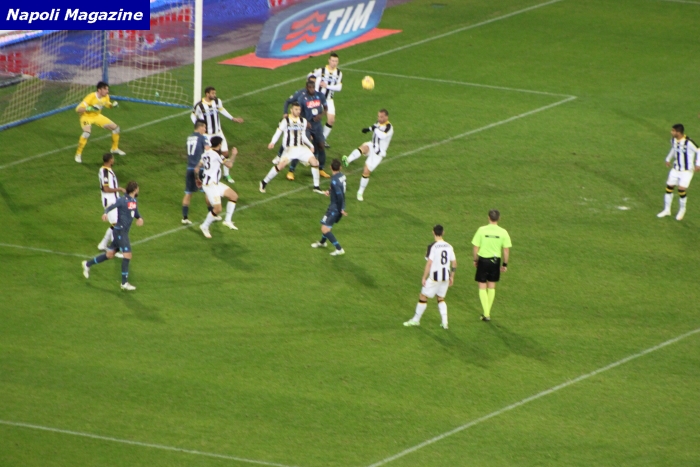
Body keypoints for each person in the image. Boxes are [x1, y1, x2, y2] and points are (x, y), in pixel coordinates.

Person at [82, 181, 143, 291]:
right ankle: (124, 283)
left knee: (109, 255)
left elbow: (135, 212)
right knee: (127, 255)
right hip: (120, 232)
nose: (138, 190)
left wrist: (139, 218)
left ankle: (87, 264)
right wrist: (105, 213)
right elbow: (111, 207)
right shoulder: (122, 200)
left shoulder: (133, 201)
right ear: (134, 190)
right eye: (138, 188)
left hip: (122, 232)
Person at [260, 102, 323, 195]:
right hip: (290, 149)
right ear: (291, 110)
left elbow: (303, 136)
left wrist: (311, 145)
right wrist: (272, 142)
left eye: (299, 109)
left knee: (315, 162)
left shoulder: (303, 121)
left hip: (301, 147)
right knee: (280, 166)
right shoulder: (285, 121)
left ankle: (316, 187)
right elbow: (278, 132)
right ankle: (264, 182)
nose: (298, 111)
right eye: (296, 109)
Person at [404, 225, 456, 329]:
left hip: (435, 278)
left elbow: (429, 263)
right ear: (443, 232)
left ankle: (416, 320)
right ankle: (445, 323)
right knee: (440, 298)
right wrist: (452, 277)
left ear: (433, 232)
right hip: (445, 277)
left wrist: (424, 277)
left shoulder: (433, 246)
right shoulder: (449, 246)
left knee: (423, 296)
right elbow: (454, 263)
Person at [191, 86, 244, 183]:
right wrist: (197, 126)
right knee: (208, 155)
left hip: (219, 132)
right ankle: (205, 175)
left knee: (225, 153)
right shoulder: (199, 105)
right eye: (212, 93)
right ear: (207, 94)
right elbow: (193, 115)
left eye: (215, 93)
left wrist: (232, 118)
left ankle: (226, 174)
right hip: (207, 135)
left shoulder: (217, 101)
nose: (214, 95)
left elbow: (222, 109)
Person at [341, 109, 394, 201]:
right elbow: (374, 126)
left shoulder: (389, 127)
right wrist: (368, 129)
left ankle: (360, 192)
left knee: (366, 171)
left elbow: (382, 136)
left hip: (378, 152)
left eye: (381, 117)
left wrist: (374, 129)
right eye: (378, 116)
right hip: (372, 145)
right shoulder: (378, 122)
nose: (379, 118)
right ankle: (348, 160)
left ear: (386, 117)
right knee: (363, 148)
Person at [284, 79, 330, 179]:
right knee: (301, 146)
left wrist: (321, 115)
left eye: (313, 87)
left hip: (317, 126)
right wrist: (305, 121)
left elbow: (326, 108)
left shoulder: (320, 96)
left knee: (321, 145)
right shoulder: (302, 98)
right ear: (306, 88)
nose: (312, 89)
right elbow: (298, 112)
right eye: (310, 88)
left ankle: (321, 169)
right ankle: (291, 171)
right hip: (306, 126)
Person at [194, 136, 239, 237]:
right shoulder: (218, 154)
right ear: (219, 144)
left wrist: (197, 178)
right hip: (211, 185)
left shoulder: (206, 153)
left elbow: (197, 167)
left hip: (214, 183)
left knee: (233, 196)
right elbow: (229, 165)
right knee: (218, 209)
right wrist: (234, 155)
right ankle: (204, 226)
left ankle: (227, 220)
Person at [472, 210, 512, 321]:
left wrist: (475, 260)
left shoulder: (481, 230)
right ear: (499, 218)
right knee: (491, 286)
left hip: (483, 260)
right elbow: (506, 250)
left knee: (482, 286)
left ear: (488, 217)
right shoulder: (503, 232)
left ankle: (486, 314)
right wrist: (504, 264)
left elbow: (475, 247)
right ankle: (487, 313)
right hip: (495, 261)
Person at [657, 123, 699, 221]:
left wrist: (698, 164)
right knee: (669, 187)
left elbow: (699, 150)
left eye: (673, 131)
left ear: (678, 132)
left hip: (687, 171)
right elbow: (674, 149)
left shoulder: (688, 142)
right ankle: (667, 210)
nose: (671, 132)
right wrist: (668, 159)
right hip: (676, 169)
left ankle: (682, 210)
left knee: (681, 189)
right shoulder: (673, 140)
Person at [74, 81, 124, 163]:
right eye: (105, 89)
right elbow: (78, 109)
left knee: (116, 128)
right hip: (86, 117)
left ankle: (114, 148)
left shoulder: (106, 96)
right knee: (86, 133)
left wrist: (112, 105)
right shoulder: (91, 97)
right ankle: (78, 154)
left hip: (97, 116)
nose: (107, 91)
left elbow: (107, 104)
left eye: (107, 89)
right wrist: (91, 108)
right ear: (99, 90)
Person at [311, 159, 347, 256]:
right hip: (333, 206)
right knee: (325, 223)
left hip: (336, 207)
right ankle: (323, 242)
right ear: (340, 168)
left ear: (330, 167)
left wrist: (341, 209)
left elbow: (340, 195)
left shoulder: (334, 180)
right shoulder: (342, 176)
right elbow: (336, 188)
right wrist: (329, 191)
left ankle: (339, 249)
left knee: (325, 229)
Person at [310, 52, 343, 148]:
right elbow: (310, 76)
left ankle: (322, 139)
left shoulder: (339, 73)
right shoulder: (321, 70)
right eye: (332, 61)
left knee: (331, 120)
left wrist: (327, 86)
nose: (334, 63)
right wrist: (316, 82)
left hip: (329, 99)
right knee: (314, 119)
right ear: (329, 60)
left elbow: (339, 87)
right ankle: (308, 139)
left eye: (336, 61)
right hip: (318, 98)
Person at [182, 121, 211, 225]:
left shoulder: (189, 138)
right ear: (200, 127)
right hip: (200, 168)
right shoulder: (202, 138)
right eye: (204, 127)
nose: (205, 130)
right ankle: (212, 214)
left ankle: (185, 218)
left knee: (188, 193)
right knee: (207, 191)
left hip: (189, 168)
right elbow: (208, 150)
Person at [97, 153, 125, 259]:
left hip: (113, 200)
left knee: (115, 224)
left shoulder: (106, 170)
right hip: (109, 201)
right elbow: (106, 188)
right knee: (116, 224)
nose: (113, 160)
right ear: (110, 160)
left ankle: (103, 244)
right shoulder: (105, 171)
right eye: (113, 158)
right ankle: (114, 250)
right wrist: (119, 189)